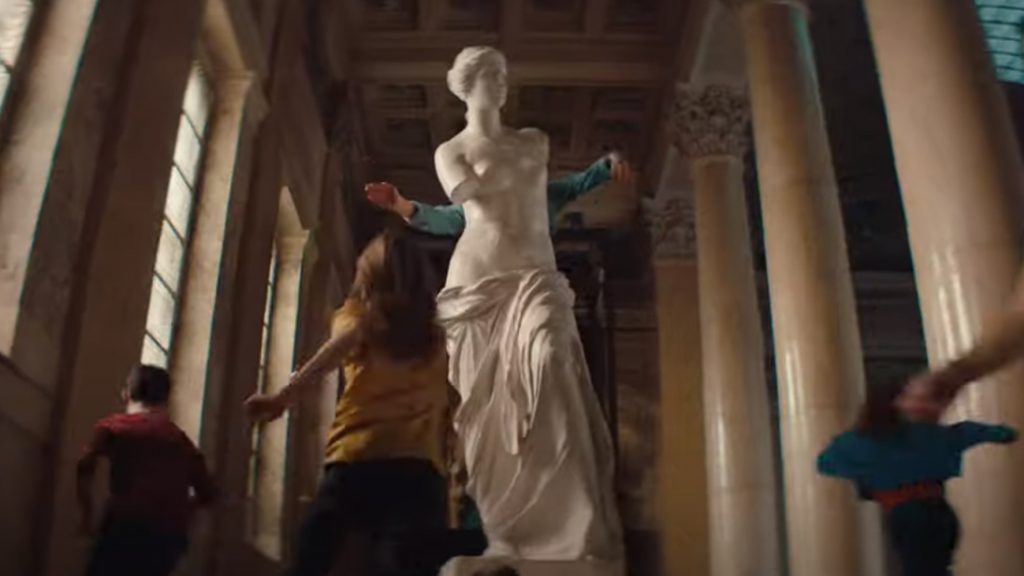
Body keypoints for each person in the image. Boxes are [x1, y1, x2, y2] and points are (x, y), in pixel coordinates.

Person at [427, 45, 623, 563]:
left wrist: (600, 170)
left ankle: (572, 531)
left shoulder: (534, 141)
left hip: (536, 276)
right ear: (466, 85)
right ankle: (506, 537)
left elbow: (553, 190)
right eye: (490, 75)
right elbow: (463, 198)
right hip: (479, 283)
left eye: (504, 75)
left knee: (553, 362)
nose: (501, 83)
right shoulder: (451, 152)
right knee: (489, 420)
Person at [245, 229, 451, 576]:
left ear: (367, 274)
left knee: (310, 561)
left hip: (357, 457)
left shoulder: (356, 317)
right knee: (409, 565)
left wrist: (283, 398)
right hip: (419, 466)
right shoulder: (438, 336)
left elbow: (335, 351)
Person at [817, 376, 1018, 576]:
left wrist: (868, 477)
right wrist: (1003, 433)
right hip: (939, 509)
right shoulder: (930, 434)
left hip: (906, 512)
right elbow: (973, 432)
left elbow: (826, 463)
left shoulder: (864, 440)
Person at [77, 364, 217, 576]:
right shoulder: (183, 444)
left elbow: (85, 466)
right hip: (167, 537)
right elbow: (208, 494)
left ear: (126, 394)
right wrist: (182, 511)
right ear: (166, 401)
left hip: (124, 526)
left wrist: (86, 514)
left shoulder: (114, 427)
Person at [365, 153, 634, 237]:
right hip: (494, 277)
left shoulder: (548, 195)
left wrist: (612, 162)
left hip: (535, 273)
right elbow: (438, 219)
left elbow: (582, 181)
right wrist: (398, 204)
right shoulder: (477, 206)